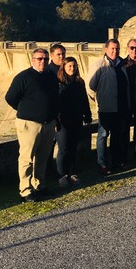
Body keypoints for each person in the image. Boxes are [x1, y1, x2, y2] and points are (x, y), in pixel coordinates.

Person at [5, 48, 59, 202]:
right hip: (29, 124)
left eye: (45, 59)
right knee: (27, 158)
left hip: (48, 123)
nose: (43, 61)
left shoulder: (51, 76)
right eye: (39, 59)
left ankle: (39, 185)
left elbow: (55, 98)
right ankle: (25, 190)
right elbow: (10, 98)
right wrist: (26, 111)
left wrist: (55, 118)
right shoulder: (24, 77)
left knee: (43, 157)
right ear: (33, 60)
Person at [87, 38, 130, 175]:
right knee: (103, 135)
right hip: (106, 108)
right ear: (106, 49)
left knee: (117, 136)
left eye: (117, 49)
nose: (114, 51)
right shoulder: (99, 65)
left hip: (120, 107)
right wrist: (99, 100)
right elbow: (90, 87)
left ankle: (117, 161)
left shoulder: (122, 65)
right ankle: (102, 163)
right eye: (112, 48)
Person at [56, 56, 92, 187]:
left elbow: (84, 100)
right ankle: (62, 175)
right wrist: (56, 119)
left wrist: (87, 115)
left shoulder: (79, 82)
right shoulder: (59, 82)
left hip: (76, 119)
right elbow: (55, 103)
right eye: (69, 66)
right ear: (64, 68)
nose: (72, 68)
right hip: (62, 121)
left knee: (73, 147)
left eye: (74, 66)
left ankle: (72, 172)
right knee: (63, 148)